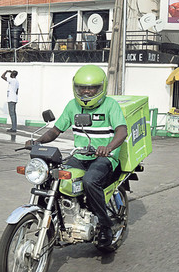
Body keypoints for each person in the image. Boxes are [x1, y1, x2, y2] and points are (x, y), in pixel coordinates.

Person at [25, 65, 127, 247]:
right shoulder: (73, 106)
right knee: (50, 177)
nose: (86, 92)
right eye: (82, 88)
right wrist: (37, 142)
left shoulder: (111, 105)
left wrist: (109, 147)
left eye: (92, 88)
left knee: (89, 181)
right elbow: (56, 130)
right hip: (80, 156)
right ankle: (51, 222)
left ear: (101, 88)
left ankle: (105, 226)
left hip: (104, 157)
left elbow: (121, 130)